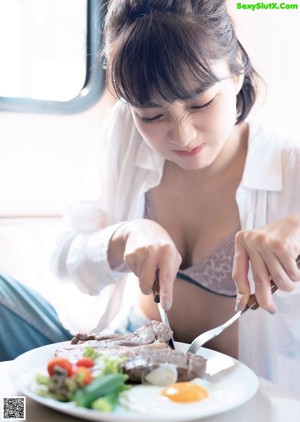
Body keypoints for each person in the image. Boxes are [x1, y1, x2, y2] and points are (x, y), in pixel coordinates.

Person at [2, 0, 300, 395]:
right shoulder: (124, 133)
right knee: (17, 403)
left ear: (237, 71)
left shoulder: (290, 168)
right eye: (152, 116)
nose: (183, 135)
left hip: (230, 393)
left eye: (201, 103)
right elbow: (64, 259)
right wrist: (124, 235)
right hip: (123, 366)